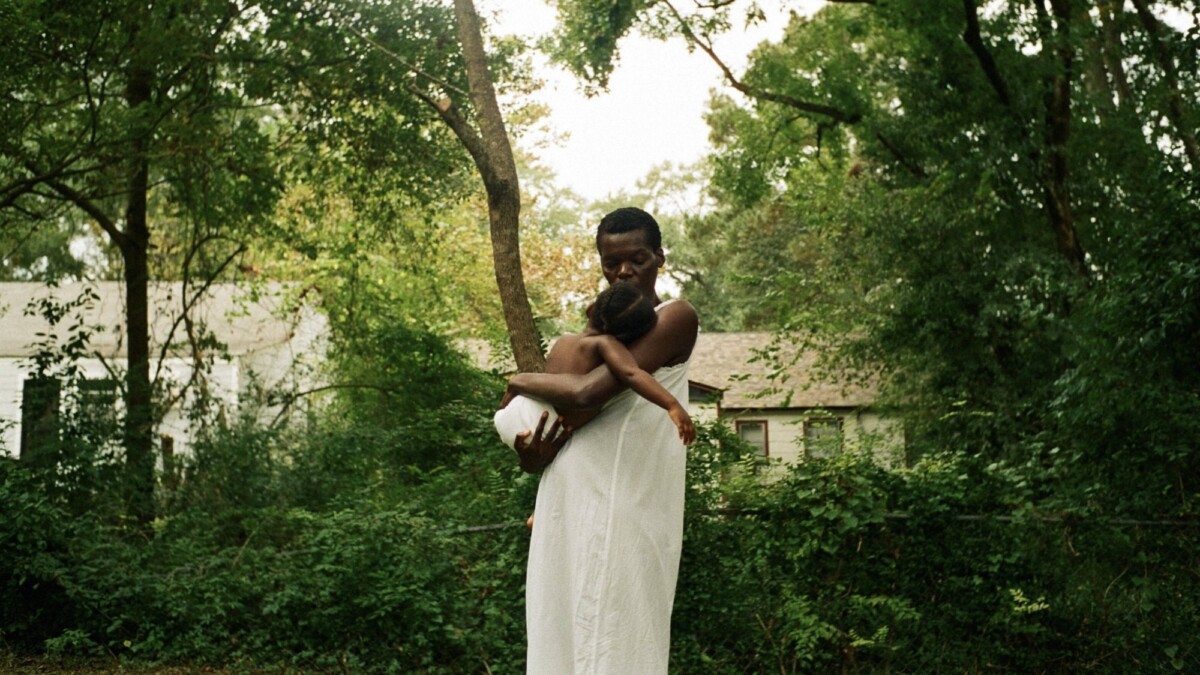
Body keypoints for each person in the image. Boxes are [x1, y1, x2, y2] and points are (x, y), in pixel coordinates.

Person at [501, 206, 699, 674]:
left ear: (660, 258)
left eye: (638, 259)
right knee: (560, 634)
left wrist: (517, 377)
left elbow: (589, 393)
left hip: (625, 499)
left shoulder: (675, 318)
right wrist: (532, 457)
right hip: (566, 499)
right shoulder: (599, 329)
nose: (624, 271)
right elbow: (561, 423)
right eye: (612, 263)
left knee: (618, 636)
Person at [494, 281, 695, 459]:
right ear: (626, 339)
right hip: (542, 428)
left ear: (590, 310)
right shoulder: (603, 343)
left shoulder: (563, 341)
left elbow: (550, 381)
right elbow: (631, 373)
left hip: (514, 412)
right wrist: (671, 405)